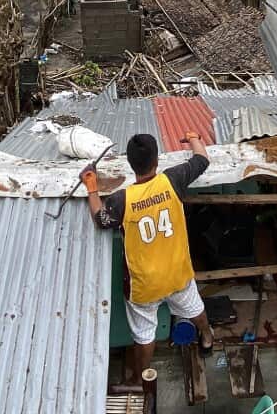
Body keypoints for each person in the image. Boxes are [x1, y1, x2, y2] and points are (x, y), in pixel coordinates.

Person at [86, 132, 213, 375]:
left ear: (131, 164)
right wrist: (194, 138)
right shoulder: (172, 179)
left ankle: (141, 378)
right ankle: (207, 338)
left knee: (144, 334)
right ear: (156, 160)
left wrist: (92, 188)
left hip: (145, 285)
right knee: (195, 308)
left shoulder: (121, 200)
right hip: (177, 274)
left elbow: (100, 220)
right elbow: (202, 160)